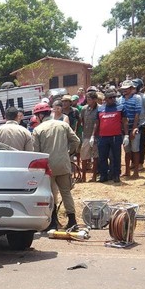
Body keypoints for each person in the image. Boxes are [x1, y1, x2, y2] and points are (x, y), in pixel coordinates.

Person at [32, 102, 80, 230]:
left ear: (41, 115)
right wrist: (70, 153)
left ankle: (53, 222)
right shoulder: (63, 125)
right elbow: (76, 141)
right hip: (64, 165)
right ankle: (73, 221)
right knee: (66, 193)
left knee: (51, 195)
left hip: (48, 168)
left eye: (37, 115)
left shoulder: (38, 129)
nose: (37, 118)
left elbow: (36, 152)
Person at [93, 89, 128, 183]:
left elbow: (125, 122)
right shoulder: (100, 109)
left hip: (115, 136)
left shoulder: (121, 108)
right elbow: (97, 123)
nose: (112, 99)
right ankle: (103, 175)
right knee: (102, 157)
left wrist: (126, 135)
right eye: (110, 97)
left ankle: (116, 175)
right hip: (103, 137)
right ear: (105, 99)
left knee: (116, 157)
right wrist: (93, 136)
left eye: (114, 97)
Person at [118, 80, 142, 178]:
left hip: (134, 128)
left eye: (127, 88)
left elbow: (137, 113)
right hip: (124, 129)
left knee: (135, 150)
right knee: (127, 150)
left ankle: (136, 171)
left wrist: (134, 128)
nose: (125, 91)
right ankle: (127, 170)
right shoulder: (120, 99)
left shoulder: (137, 98)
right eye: (123, 89)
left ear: (132, 89)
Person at [79, 90, 99, 182]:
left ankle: (94, 176)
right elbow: (81, 120)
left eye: (90, 99)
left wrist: (93, 135)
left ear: (95, 99)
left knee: (95, 156)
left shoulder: (99, 109)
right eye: (87, 98)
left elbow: (97, 123)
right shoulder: (84, 109)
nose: (88, 100)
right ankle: (83, 176)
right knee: (84, 156)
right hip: (86, 135)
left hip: (96, 136)